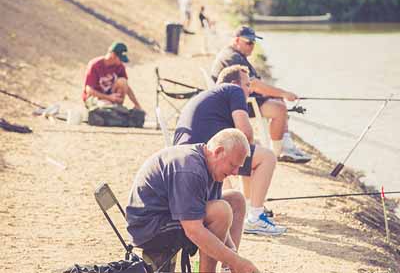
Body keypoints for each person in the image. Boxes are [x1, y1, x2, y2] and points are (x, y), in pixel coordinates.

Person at [173, 65, 287, 236]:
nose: (250, 90)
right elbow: (245, 133)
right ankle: (255, 217)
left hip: (185, 154)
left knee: (247, 154)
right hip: (205, 152)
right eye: (247, 85)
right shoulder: (234, 90)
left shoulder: (212, 95)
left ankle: (250, 208)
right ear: (235, 82)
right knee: (267, 157)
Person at [126, 129, 261, 273]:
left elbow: (218, 221)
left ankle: (227, 270)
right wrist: (237, 261)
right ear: (218, 151)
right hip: (150, 228)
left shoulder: (212, 165)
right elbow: (193, 230)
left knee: (236, 200)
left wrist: (231, 252)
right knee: (221, 211)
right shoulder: (190, 169)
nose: (235, 173)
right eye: (233, 165)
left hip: (169, 215)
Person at [211, 26, 311, 163]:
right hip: (237, 103)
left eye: (254, 42)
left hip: (243, 98)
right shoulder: (232, 57)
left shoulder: (236, 55)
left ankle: (286, 146)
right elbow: (254, 85)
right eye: (249, 42)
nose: (252, 46)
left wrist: (279, 95)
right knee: (280, 109)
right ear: (236, 40)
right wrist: (285, 93)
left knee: (278, 100)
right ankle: (277, 153)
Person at [82, 42, 144, 111]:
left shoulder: (119, 66)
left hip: (110, 97)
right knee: (105, 106)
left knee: (123, 81)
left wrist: (137, 105)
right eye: (120, 59)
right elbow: (89, 90)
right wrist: (108, 97)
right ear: (113, 55)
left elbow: (126, 87)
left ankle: (116, 107)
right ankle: (111, 108)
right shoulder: (95, 65)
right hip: (94, 98)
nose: (121, 62)